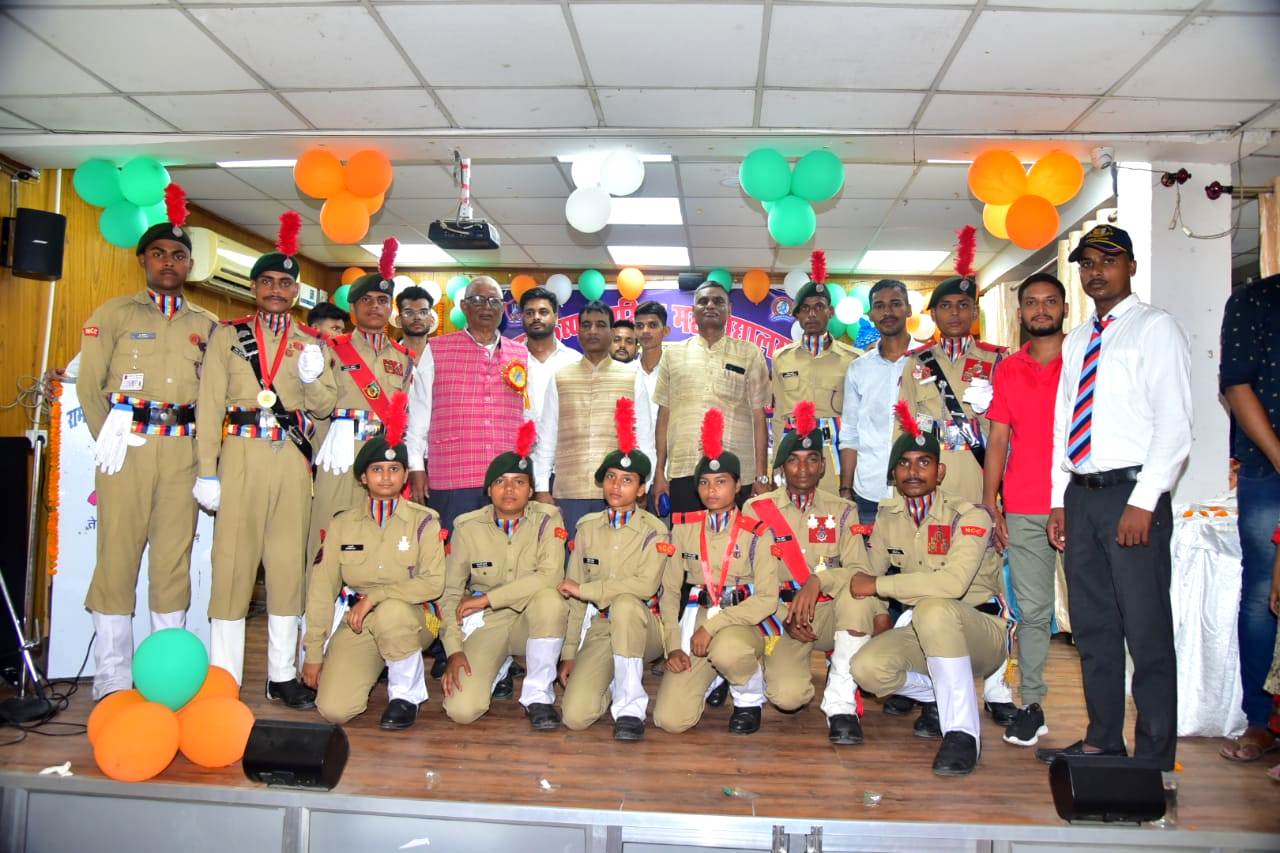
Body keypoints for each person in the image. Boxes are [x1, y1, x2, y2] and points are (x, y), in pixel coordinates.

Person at [1039, 225, 1192, 772]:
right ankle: (1103, 739)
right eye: (1087, 263)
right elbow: (1064, 423)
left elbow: (1175, 424)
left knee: (1146, 632)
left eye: (1108, 260)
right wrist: (1060, 499)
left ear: (1131, 267)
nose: (1096, 271)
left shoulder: (1155, 328)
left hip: (1133, 495)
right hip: (1081, 496)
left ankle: (1154, 759)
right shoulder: (1078, 338)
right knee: (1094, 628)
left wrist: (1145, 500)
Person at [76, 184, 219, 699]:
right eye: (159, 253)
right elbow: (89, 386)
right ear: (143, 259)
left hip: (182, 452)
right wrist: (110, 438)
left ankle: (164, 669)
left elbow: (213, 397)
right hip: (127, 450)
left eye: (178, 255)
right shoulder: (114, 314)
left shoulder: (208, 325)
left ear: (190, 265)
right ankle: (112, 671)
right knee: (117, 556)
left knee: (172, 561)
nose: (168, 262)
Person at [193, 212, 335, 707]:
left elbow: (324, 408)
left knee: (287, 567)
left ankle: (282, 675)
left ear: (296, 292)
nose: (277, 290)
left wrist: (312, 379)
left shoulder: (311, 343)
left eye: (286, 283)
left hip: (291, 461)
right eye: (268, 281)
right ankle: (224, 678)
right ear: (254, 287)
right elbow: (208, 405)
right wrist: (207, 471)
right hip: (240, 456)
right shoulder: (228, 336)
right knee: (232, 566)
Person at [895, 234, 1016, 726]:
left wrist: (1001, 495)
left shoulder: (999, 360)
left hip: (982, 491)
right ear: (934, 314)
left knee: (988, 589)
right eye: (945, 306)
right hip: (934, 498)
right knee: (936, 589)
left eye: (963, 305)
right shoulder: (917, 364)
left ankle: (1000, 684)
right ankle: (934, 688)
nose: (955, 313)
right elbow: (905, 430)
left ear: (975, 312)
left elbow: (1012, 433)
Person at [848, 403, 1008, 776]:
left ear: (941, 471)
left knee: (934, 608)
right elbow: (863, 575)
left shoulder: (970, 515)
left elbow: (952, 584)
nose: (914, 471)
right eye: (904, 464)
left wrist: (880, 585)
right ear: (893, 474)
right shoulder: (889, 517)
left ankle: (962, 734)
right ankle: (946, 694)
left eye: (924, 462)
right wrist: (870, 608)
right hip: (926, 632)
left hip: (982, 634)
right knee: (867, 669)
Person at [750, 401, 889, 744]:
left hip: (828, 613)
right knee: (788, 698)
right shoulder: (757, 509)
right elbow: (746, 577)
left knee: (859, 599)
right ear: (781, 467)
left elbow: (858, 572)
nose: (803, 468)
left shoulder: (843, 511)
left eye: (812, 459)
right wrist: (779, 614)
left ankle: (840, 703)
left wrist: (818, 581)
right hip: (778, 615)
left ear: (823, 466)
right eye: (794, 460)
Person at [301, 420, 446, 730]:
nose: (386, 477)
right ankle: (379, 662)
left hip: (420, 619)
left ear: (405, 476)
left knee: (391, 612)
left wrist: (376, 597)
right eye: (377, 470)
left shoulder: (424, 522)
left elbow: (433, 584)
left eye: (394, 469)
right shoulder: (342, 525)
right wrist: (313, 652)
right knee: (333, 710)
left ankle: (405, 696)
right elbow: (321, 590)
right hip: (359, 621)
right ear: (363, 478)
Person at [652, 409, 780, 735]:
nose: (712, 490)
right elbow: (669, 592)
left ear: (737, 486)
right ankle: (716, 677)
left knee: (727, 650)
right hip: (697, 615)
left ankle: (748, 699)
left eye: (721, 482)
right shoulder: (683, 529)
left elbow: (768, 598)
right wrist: (673, 645)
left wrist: (712, 627)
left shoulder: (757, 532)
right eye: (705, 483)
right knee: (669, 720)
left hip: (743, 619)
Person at [981, 273, 1067, 747]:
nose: (1041, 310)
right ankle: (1032, 704)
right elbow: (998, 439)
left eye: (1050, 301)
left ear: (1064, 308)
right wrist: (991, 501)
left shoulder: (1085, 359)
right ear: (1020, 313)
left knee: (1097, 612)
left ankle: (1108, 717)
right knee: (1032, 611)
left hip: (1082, 503)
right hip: (1024, 505)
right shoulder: (1010, 368)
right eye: (1032, 302)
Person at [440, 422, 569, 730]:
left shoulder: (548, 519)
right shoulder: (466, 527)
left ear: (531, 490)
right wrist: (454, 650)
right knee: (462, 710)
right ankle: (498, 665)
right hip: (489, 623)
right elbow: (450, 593)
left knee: (550, 601)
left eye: (519, 482)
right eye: (500, 482)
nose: (509, 490)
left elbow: (550, 576)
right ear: (488, 490)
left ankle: (538, 695)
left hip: (531, 619)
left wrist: (487, 598)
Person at [557, 398, 670, 740]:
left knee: (625, 604)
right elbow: (574, 597)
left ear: (641, 489)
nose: (616, 486)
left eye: (627, 480)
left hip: (644, 628)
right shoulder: (587, 528)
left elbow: (644, 587)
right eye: (611, 478)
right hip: (602, 627)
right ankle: (611, 683)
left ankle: (630, 708)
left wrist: (586, 591)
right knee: (575, 716)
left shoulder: (655, 531)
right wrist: (569, 653)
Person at [307, 240, 416, 568]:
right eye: (366, 300)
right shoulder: (332, 348)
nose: (374, 306)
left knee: (379, 538)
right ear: (353, 308)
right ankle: (319, 601)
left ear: (390, 308)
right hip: (341, 454)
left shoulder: (404, 357)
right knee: (328, 535)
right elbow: (319, 408)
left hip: (384, 455)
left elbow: (406, 413)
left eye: (382, 300)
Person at [406, 276, 530, 532]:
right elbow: (418, 414)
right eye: (478, 300)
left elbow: (530, 416)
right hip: (452, 476)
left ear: (502, 309)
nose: (486, 307)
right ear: (463, 306)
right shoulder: (436, 349)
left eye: (494, 301)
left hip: (506, 479)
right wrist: (416, 466)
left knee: (505, 551)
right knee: (453, 551)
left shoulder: (521, 354)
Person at [1218, 272, 1280, 764]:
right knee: (1265, 593)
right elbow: (1236, 385)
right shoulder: (1256, 299)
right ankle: (1261, 719)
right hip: (1268, 465)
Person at [534, 300, 654, 537]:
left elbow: (644, 437)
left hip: (619, 493)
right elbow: (547, 436)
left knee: (616, 555)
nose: (593, 331)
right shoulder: (560, 377)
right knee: (570, 556)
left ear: (611, 332)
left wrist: (644, 487)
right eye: (586, 325)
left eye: (600, 325)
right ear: (578, 332)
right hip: (567, 493)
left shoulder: (632, 376)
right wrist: (542, 488)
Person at [653, 280, 770, 513]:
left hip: (736, 472)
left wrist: (761, 476)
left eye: (718, 301)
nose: (710, 305)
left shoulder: (749, 353)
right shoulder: (672, 354)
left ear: (729, 309)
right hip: (684, 470)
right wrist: (659, 473)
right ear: (693, 311)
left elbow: (759, 418)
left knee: (737, 536)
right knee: (687, 536)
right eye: (703, 301)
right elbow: (664, 416)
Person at [771, 252, 858, 495]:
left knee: (834, 515)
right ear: (797, 315)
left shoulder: (853, 360)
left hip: (835, 460)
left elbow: (858, 421)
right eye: (805, 309)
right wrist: (775, 467)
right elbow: (778, 417)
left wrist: (851, 479)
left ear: (830, 311)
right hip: (794, 459)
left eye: (819, 307)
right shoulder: (781, 358)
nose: (811, 314)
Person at [839, 279, 914, 525]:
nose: (887, 312)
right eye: (879, 306)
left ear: (908, 309)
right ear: (871, 315)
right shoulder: (858, 369)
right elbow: (850, 433)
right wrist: (845, 489)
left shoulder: (928, 360)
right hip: (869, 492)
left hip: (920, 489)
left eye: (895, 304)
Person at [520, 286, 580, 424]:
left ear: (556, 318)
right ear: (523, 318)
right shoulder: (510, 360)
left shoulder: (574, 361)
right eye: (529, 313)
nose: (536, 317)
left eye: (543, 312)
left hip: (562, 437)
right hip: (519, 437)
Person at [395, 285, 436, 359]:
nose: (417, 317)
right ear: (398, 320)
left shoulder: (442, 357)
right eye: (409, 313)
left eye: (423, 312)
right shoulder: (386, 356)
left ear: (432, 320)